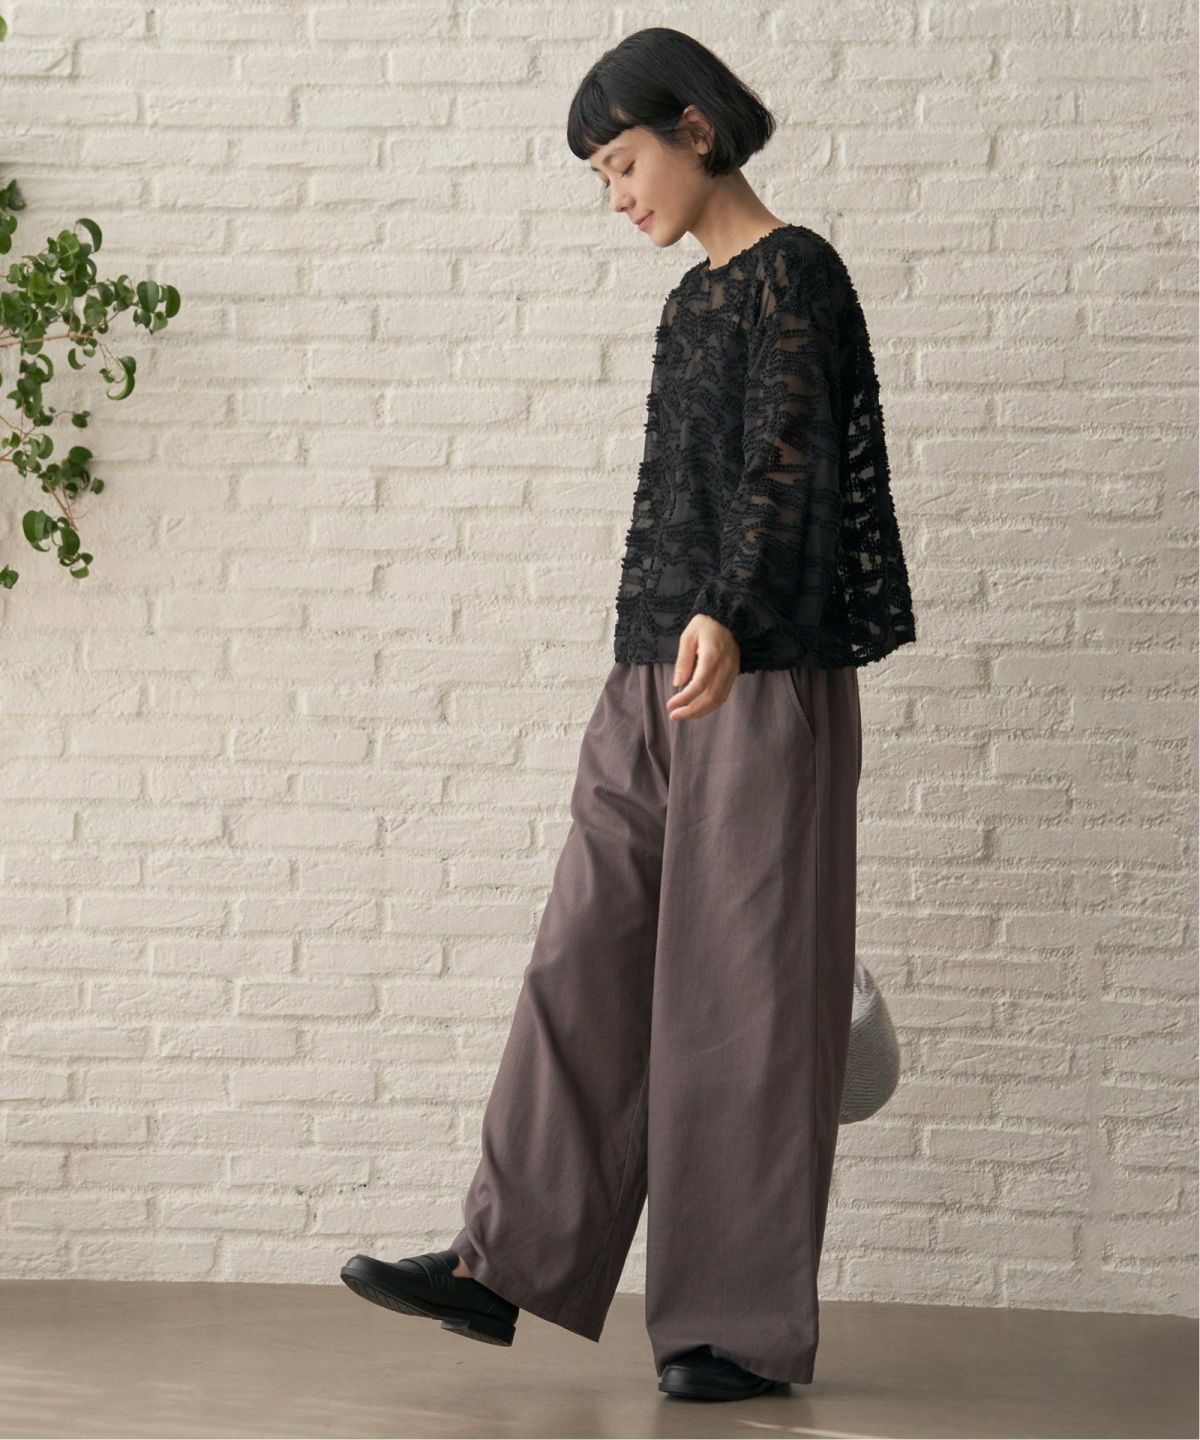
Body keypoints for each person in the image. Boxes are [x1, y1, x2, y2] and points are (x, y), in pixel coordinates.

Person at [341, 25, 916, 1404]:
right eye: (599, 175)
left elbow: (787, 460)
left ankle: (734, 1329)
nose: (615, 196)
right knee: (584, 949)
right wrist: (658, 640)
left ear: (695, 129)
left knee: (742, 998)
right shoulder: (686, 307)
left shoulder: (798, 273)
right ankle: (503, 1258)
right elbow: (676, 496)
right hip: (651, 671)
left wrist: (730, 607)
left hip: (759, 671)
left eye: (621, 163)